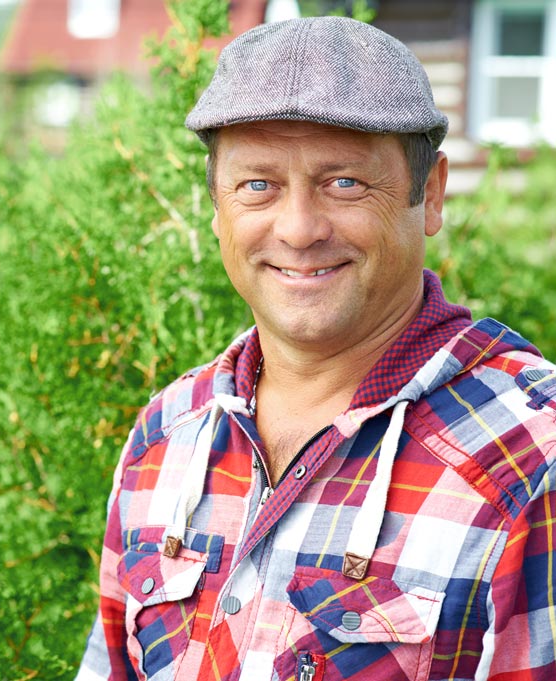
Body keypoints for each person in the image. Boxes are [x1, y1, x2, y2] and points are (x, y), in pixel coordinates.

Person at [76, 15, 556, 681]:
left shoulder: (532, 455)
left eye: (345, 183)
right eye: (258, 185)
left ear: (433, 193)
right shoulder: (168, 432)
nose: (299, 229)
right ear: (216, 205)